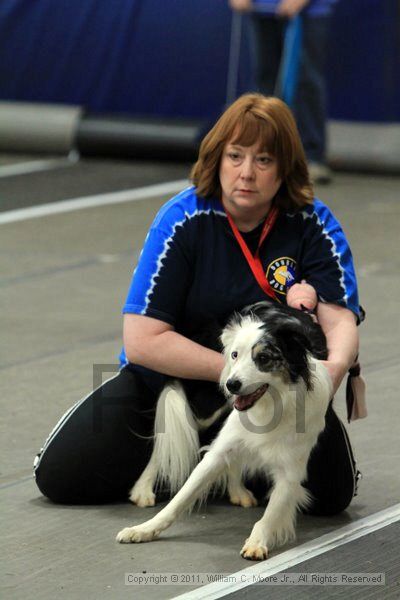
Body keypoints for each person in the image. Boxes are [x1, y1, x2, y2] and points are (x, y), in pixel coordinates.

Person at [34, 94, 361, 514]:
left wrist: (326, 379)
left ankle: (217, 462)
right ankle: (189, 456)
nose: (246, 173)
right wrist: (236, 377)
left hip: (278, 391)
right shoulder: (181, 219)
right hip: (171, 383)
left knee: (331, 497)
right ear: (216, 159)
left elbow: (340, 323)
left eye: (263, 160)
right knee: (60, 476)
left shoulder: (313, 222)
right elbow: (142, 342)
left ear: (285, 169)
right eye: (235, 156)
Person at [229, 0, 337, 183]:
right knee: (264, 84)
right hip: (261, 10)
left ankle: (311, 157)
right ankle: (262, 153)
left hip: (306, 13)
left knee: (304, 82)